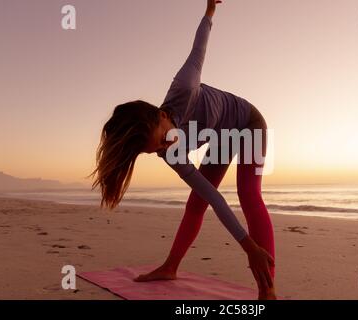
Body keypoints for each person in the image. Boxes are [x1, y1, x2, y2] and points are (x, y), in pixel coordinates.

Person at [88, 0, 276, 300]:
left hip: (248, 121)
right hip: (221, 136)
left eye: (163, 139)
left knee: (249, 195)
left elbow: (199, 46)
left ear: (162, 115)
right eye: (155, 151)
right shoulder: (169, 153)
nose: (167, 147)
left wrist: (210, 11)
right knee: (196, 201)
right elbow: (212, 196)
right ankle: (170, 267)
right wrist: (247, 244)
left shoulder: (185, 88)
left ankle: (268, 290)